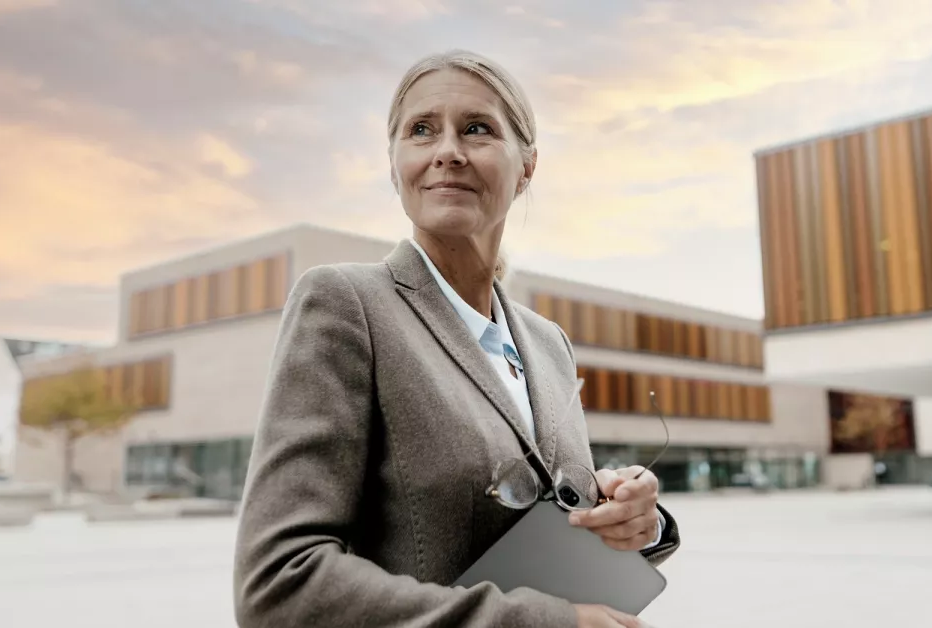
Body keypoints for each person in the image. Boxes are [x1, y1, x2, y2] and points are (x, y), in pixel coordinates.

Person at [233, 49, 680, 628]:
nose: (448, 151)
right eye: (421, 130)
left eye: (477, 129)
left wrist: (637, 522)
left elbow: (547, 529)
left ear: (527, 167)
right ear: (395, 167)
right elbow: (279, 585)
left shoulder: (548, 344)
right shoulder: (347, 305)